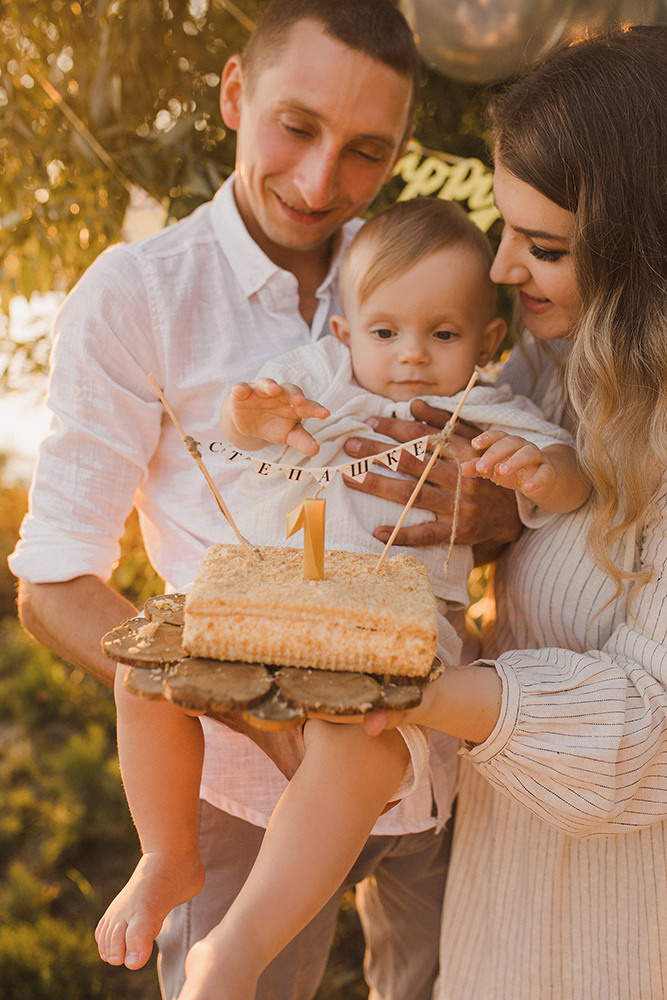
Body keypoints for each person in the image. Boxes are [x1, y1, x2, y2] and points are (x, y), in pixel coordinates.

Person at [7, 3, 520, 998]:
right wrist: (266, 716)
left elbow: (523, 480)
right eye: (297, 126)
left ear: (400, 151)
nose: (321, 180)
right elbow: (53, 581)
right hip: (246, 801)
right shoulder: (138, 298)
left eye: (365, 151)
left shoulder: (424, 276)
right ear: (236, 93)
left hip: (445, 770)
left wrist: (488, 513)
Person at [95, 196, 591, 1000]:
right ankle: (165, 852)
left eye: (443, 334)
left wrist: (536, 473)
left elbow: (566, 474)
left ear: (487, 341)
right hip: (270, 600)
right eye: (385, 332)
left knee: (358, 745)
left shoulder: (483, 409)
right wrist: (251, 413)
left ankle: (239, 945)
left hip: (389, 631)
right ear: (343, 334)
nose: (409, 358)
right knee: (142, 673)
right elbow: (239, 416)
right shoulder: (316, 378)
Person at [320, 25, 667, 1000]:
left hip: (625, 929)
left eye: (545, 245)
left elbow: (652, 733)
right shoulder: (561, 366)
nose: (503, 270)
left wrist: (409, 689)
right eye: (507, 228)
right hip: (504, 890)